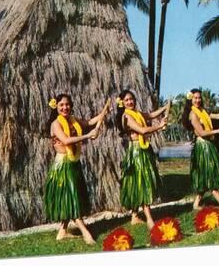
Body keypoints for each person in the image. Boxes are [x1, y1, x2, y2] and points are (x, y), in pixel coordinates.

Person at [44, 93, 105, 245]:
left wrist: (104, 113)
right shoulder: (55, 124)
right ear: (56, 107)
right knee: (72, 197)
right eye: (61, 105)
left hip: (73, 163)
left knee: (70, 197)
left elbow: (89, 122)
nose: (65, 107)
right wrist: (87, 136)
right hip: (62, 165)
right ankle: (86, 233)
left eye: (67, 104)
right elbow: (65, 140)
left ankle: (62, 232)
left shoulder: (73, 120)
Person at [116, 89, 168, 229]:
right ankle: (149, 219)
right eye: (126, 100)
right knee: (142, 181)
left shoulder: (137, 113)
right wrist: (160, 126)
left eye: (131, 99)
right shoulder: (127, 117)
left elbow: (150, 115)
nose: (130, 101)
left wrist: (164, 107)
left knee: (136, 182)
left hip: (144, 149)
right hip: (137, 152)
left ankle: (134, 216)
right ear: (122, 103)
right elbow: (143, 130)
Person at [181, 88, 219, 210]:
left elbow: (215, 115)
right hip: (203, 146)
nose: (198, 100)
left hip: (208, 145)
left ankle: (196, 204)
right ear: (191, 100)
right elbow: (202, 133)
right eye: (195, 98)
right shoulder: (193, 114)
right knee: (210, 173)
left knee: (205, 175)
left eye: (199, 98)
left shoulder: (203, 111)